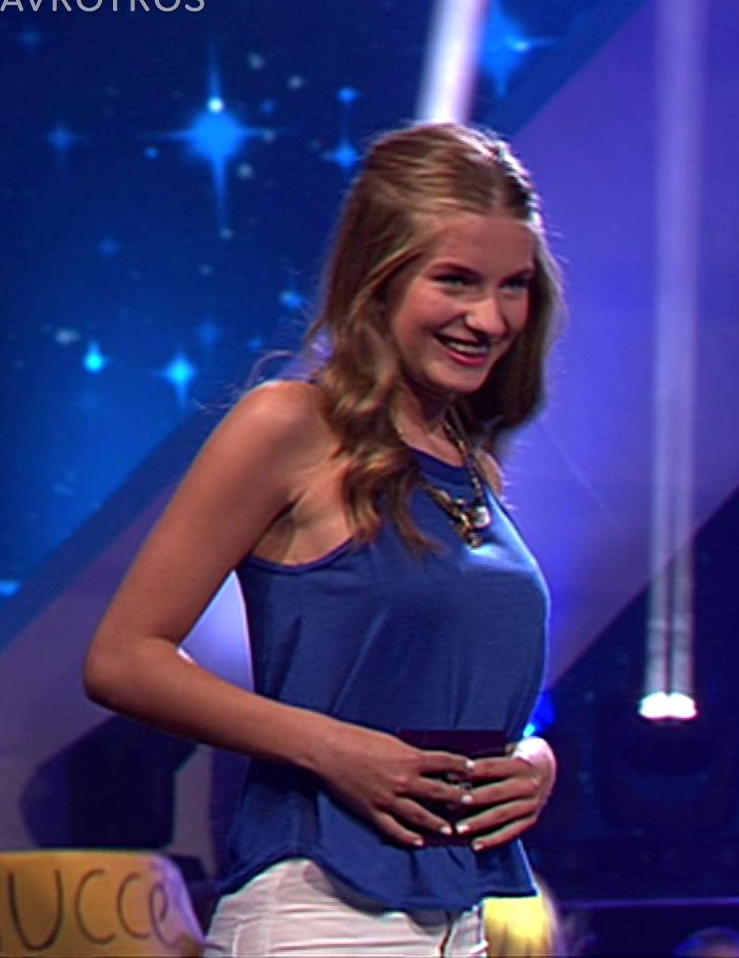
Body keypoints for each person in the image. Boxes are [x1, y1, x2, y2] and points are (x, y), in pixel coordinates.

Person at [84, 122, 565, 956]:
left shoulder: (469, 461)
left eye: (513, 287)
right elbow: (123, 659)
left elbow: (437, 685)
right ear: (379, 277)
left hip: (459, 919)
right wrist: (333, 749)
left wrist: (533, 758)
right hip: (320, 911)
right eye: (455, 280)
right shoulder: (288, 425)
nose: (489, 319)